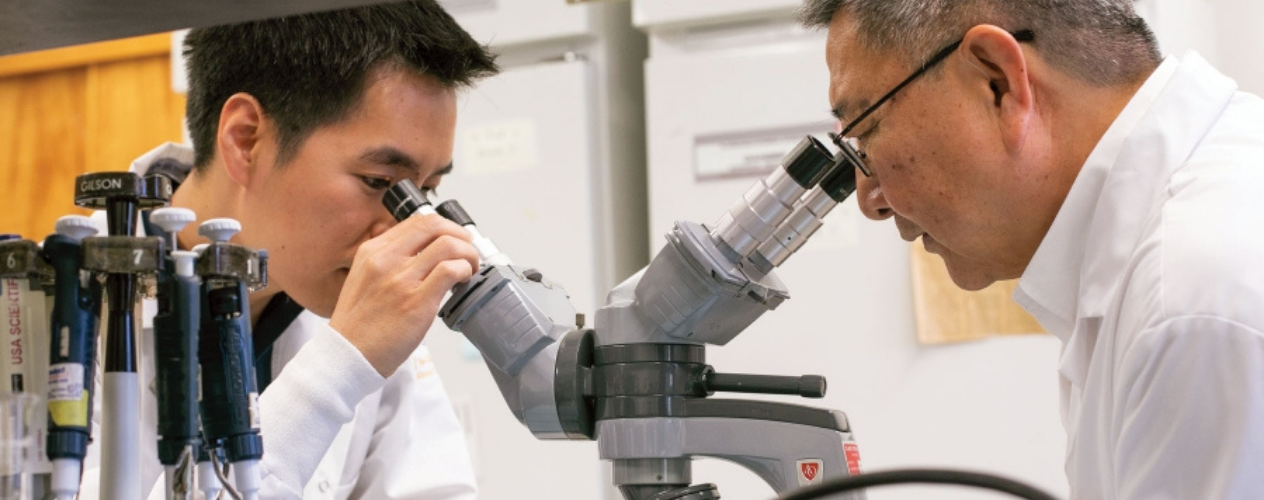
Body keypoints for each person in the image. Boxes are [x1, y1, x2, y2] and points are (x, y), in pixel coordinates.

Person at [797, 0, 1264, 498]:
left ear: (997, 82)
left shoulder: (1192, 302)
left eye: (865, 134)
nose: (870, 200)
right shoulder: (1159, 241)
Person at [78, 2, 499, 498]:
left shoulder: (359, 312)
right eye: (379, 182)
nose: (404, 231)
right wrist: (335, 374)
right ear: (246, 140)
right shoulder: (43, 315)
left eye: (424, 191)